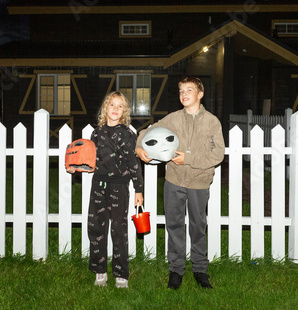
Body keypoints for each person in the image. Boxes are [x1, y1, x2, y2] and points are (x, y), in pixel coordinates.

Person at [135, 77, 225, 289]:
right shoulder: (174, 119)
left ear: (200, 94)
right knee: (174, 225)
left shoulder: (212, 121)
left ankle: (200, 270)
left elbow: (218, 154)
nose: (184, 94)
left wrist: (189, 159)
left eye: (189, 90)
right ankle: (176, 270)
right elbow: (147, 131)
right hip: (174, 181)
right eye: (181, 90)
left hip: (199, 182)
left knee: (197, 226)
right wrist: (139, 146)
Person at [67, 91, 143, 289]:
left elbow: (134, 163)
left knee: (119, 230)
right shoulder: (96, 133)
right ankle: (100, 271)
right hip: (98, 185)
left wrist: (138, 189)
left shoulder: (127, 134)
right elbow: (90, 162)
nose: (115, 109)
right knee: (96, 228)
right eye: (112, 105)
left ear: (124, 111)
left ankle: (120, 274)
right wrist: (76, 167)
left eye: (120, 106)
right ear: (105, 109)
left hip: (119, 186)